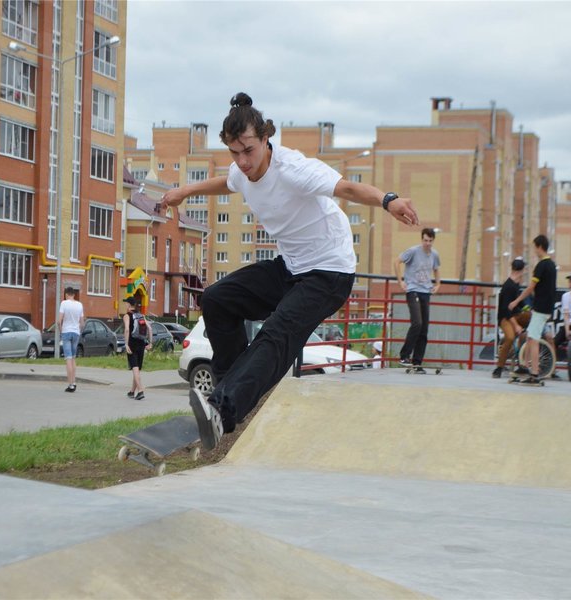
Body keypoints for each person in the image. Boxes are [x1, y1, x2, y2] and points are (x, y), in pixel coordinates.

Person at [160, 92, 419, 450]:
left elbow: (346, 187)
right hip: (291, 267)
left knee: (278, 331)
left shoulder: (295, 170)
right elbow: (225, 181)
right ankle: (226, 391)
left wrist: (389, 201)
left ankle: (224, 409)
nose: (243, 161)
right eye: (234, 153)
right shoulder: (241, 170)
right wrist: (185, 190)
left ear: (266, 139)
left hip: (330, 272)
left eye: (249, 150)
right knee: (219, 298)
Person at [508, 235, 557, 385]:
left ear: (540, 247)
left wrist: (516, 301)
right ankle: (524, 367)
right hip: (546, 307)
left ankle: (534, 374)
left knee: (533, 339)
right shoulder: (552, 265)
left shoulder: (541, 266)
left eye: (535, 247)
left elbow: (531, 287)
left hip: (541, 308)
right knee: (530, 336)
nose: (534, 251)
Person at [394, 227, 441, 373]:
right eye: (425, 240)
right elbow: (397, 262)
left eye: (430, 241)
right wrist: (400, 281)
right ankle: (404, 355)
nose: (427, 243)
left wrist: (438, 284)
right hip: (412, 290)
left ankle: (417, 363)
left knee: (424, 329)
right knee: (417, 323)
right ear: (422, 239)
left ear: (433, 241)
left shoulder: (434, 254)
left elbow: (436, 269)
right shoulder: (413, 251)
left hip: (426, 292)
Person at [492, 258, 531, 378]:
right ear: (521, 270)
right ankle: (499, 367)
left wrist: (528, 309)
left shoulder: (516, 284)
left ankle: (521, 360)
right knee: (510, 337)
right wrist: (516, 326)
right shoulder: (509, 286)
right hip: (505, 318)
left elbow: (519, 302)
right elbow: (506, 311)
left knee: (530, 319)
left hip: (514, 316)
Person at [57, 286, 85, 392]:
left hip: (66, 332)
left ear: (66, 294)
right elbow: (82, 323)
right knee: (73, 358)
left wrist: (61, 331)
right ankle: (74, 381)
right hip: (76, 333)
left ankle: (70, 385)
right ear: (74, 294)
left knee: (68, 358)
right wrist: (79, 331)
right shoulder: (79, 305)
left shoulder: (64, 303)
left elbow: (59, 321)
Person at [123, 297, 150, 400]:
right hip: (141, 343)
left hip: (132, 344)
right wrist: (150, 343)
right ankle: (132, 391)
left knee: (134, 367)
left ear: (129, 305)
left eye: (126, 303)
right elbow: (150, 328)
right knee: (137, 368)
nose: (125, 305)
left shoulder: (127, 316)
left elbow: (126, 329)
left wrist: (126, 344)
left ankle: (141, 390)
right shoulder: (141, 315)